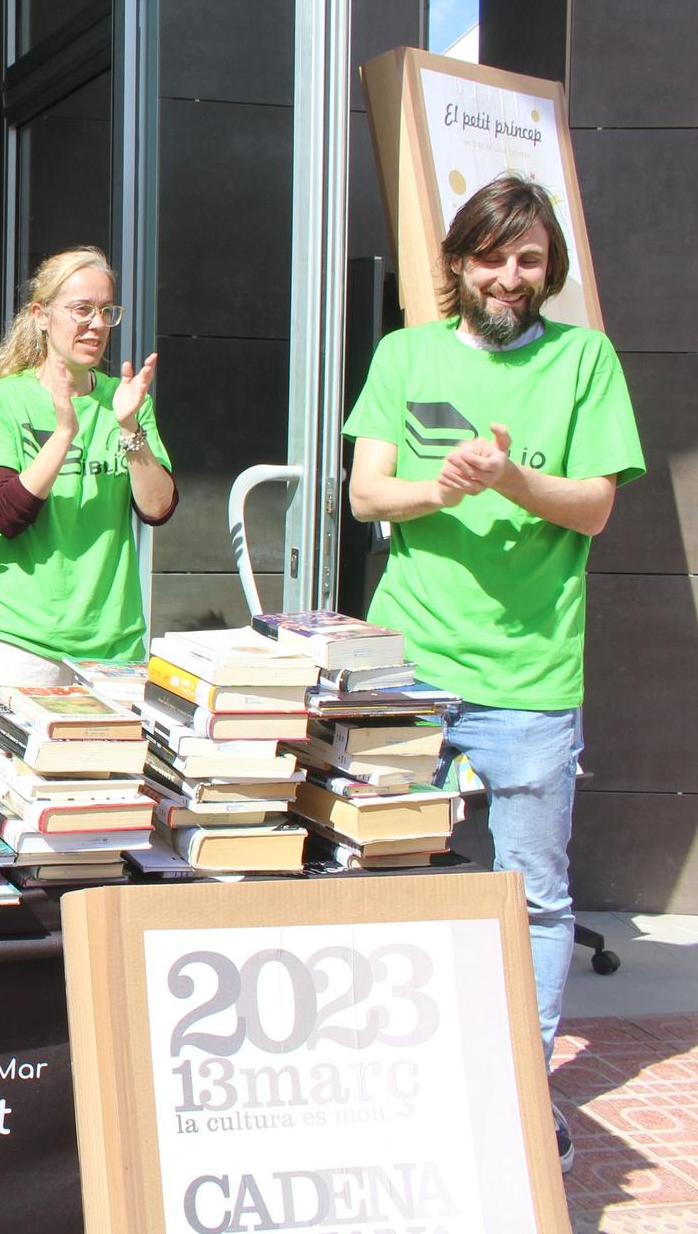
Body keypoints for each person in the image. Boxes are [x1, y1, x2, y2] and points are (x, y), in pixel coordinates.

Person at [343, 174, 643, 1173]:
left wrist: (509, 476)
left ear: (546, 268)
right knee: (379, 875)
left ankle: (518, 1090)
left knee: (530, 899)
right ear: (457, 263)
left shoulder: (582, 360)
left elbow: (595, 506)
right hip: (406, 670)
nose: (507, 276)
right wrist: (444, 483)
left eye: (526, 259)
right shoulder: (404, 352)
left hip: (527, 676)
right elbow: (363, 491)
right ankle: (389, 1081)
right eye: (488, 256)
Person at [0, 246, 175, 701]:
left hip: (113, 648)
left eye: (106, 311)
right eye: (82, 309)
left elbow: (158, 509)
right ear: (41, 315)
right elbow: (6, 514)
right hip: (22, 645)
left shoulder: (127, 403)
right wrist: (63, 433)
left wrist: (129, 428)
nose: (97, 324)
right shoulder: (2, 401)